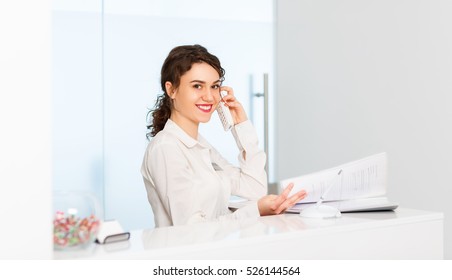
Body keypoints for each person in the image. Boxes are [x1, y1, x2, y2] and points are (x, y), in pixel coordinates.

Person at [141, 44, 307, 227]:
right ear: (171, 90)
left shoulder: (201, 146)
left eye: (214, 87)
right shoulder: (166, 148)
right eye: (197, 86)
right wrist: (254, 211)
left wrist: (241, 126)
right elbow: (191, 227)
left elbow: (255, 189)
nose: (210, 97)